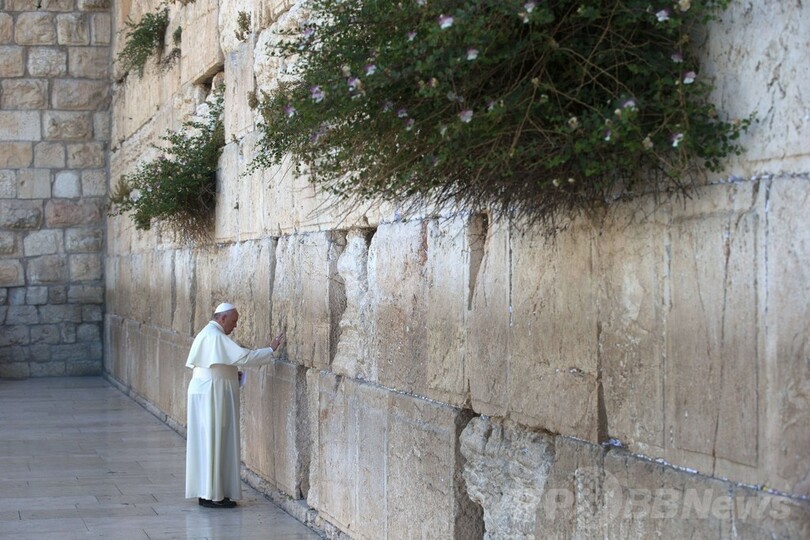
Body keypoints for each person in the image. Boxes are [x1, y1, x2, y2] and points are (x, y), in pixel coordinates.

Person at [185, 302, 284, 509]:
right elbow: (244, 357)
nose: (235, 325)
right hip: (212, 395)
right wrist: (270, 349)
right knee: (215, 442)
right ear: (222, 318)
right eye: (234, 321)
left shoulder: (208, 333)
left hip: (207, 392)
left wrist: (231, 373)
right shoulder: (215, 336)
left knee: (208, 443)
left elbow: (217, 365)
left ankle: (208, 492)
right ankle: (213, 495)